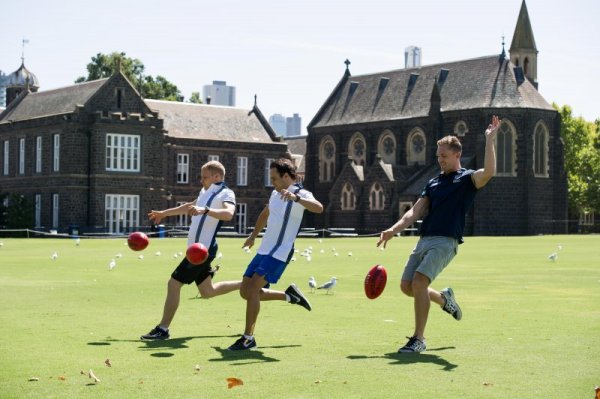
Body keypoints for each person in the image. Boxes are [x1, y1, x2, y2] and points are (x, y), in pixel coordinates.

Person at [377, 115, 501, 353]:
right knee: (407, 286)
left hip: (446, 241)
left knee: (420, 281)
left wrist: (489, 140)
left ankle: (419, 339)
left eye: (444, 156)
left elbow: (489, 172)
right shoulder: (432, 183)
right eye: (438, 156)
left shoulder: (466, 179)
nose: (440, 160)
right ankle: (445, 300)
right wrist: (393, 230)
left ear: (457, 155)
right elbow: (414, 212)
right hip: (425, 240)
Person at [228, 158, 324, 351]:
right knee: (245, 292)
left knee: (254, 289)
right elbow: (265, 214)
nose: (272, 182)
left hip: (281, 252)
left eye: (274, 178)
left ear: (286, 176)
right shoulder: (274, 194)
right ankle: (289, 296)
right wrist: (253, 236)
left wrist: (296, 199)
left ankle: (248, 338)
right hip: (264, 250)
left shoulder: (301, 193)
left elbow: (319, 208)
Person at [141, 160, 240, 340]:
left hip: (202, 251)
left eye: (204, 177)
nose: (201, 180)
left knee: (173, 284)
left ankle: (163, 329)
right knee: (207, 291)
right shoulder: (205, 191)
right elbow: (188, 207)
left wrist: (205, 210)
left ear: (217, 177)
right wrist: (164, 213)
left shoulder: (226, 193)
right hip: (195, 250)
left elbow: (229, 214)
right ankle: (247, 284)